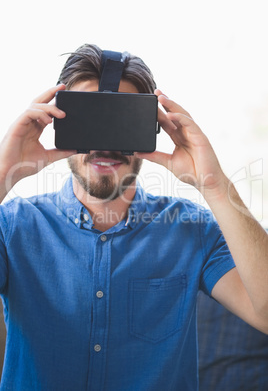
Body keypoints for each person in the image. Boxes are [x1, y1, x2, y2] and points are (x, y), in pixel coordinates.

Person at [0, 44, 267, 391]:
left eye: (121, 122)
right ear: (56, 123)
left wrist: (213, 184)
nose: (104, 145)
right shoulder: (12, 227)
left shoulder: (193, 229)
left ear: (151, 127)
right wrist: (5, 172)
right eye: (89, 120)